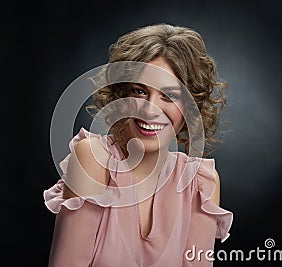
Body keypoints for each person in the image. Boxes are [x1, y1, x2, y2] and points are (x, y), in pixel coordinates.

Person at [44, 23, 233, 267]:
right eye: (139, 91)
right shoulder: (93, 157)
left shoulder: (201, 182)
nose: (150, 108)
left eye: (170, 95)